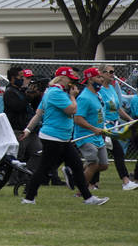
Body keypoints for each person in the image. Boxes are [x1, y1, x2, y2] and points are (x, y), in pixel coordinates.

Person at [20, 67, 108, 205]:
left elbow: (38, 114)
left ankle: (88, 197)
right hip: (53, 137)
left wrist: (28, 129)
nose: (71, 84)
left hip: (62, 137)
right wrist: (73, 97)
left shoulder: (52, 91)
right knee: (44, 168)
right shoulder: (56, 93)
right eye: (70, 80)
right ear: (61, 78)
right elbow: (72, 110)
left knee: (77, 165)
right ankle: (29, 197)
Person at [96, 66, 137, 190]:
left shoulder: (112, 88)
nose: (113, 74)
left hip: (113, 127)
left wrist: (131, 121)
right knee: (116, 153)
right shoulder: (99, 90)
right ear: (101, 74)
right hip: (104, 127)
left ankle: (85, 178)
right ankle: (125, 181)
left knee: (99, 157)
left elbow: (118, 109)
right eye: (110, 72)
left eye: (113, 72)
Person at [73, 67, 111, 188]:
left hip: (98, 136)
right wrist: (93, 129)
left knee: (104, 165)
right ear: (90, 79)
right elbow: (78, 119)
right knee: (93, 164)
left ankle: (74, 174)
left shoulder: (98, 95)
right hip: (86, 136)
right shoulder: (84, 97)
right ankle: (82, 192)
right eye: (98, 77)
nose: (101, 79)